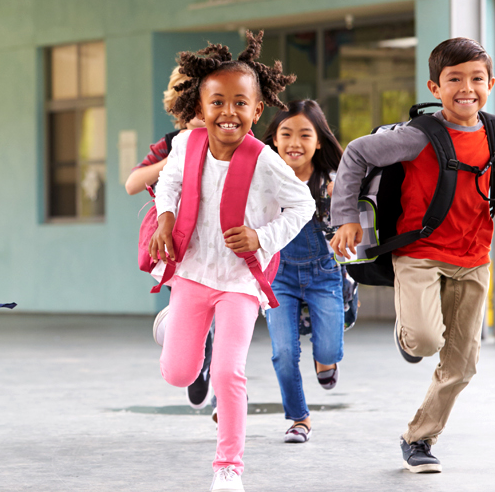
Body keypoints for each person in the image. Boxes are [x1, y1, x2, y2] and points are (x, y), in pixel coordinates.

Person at [328, 37, 495, 473]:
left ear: (490, 83)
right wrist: (344, 216)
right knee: (424, 340)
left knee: (462, 364)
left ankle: (419, 439)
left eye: (476, 78)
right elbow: (358, 153)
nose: (466, 88)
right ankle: (408, 334)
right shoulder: (418, 136)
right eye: (453, 79)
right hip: (419, 252)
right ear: (434, 87)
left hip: (474, 256)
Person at [148, 31, 311, 492]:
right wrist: (164, 219)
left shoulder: (267, 162)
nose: (228, 112)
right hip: (194, 272)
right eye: (217, 102)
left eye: (241, 103)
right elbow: (169, 185)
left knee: (228, 372)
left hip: (241, 281)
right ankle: (172, 327)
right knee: (178, 372)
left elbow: (303, 208)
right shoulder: (186, 146)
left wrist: (262, 236)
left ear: (257, 111)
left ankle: (228, 467)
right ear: (200, 109)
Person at [259, 99, 345, 444]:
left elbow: (355, 216)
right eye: (286, 134)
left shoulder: (332, 181)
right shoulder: (263, 179)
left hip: (324, 272)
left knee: (327, 351)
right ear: (274, 140)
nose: (295, 142)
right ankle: (299, 418)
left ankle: (326, 363)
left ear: (319, 141)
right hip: (278, 276)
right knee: (283, 353)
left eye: (305, 134)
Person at [134, 66, 215, 410]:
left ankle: (226, 394)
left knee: (226, 316)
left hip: (219, 242)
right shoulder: (170, 145)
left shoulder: (226, 138)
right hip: (178, 246)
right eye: (189, 108)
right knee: (197, 318)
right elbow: (132, 183)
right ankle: (194, 358)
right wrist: (175, 156)